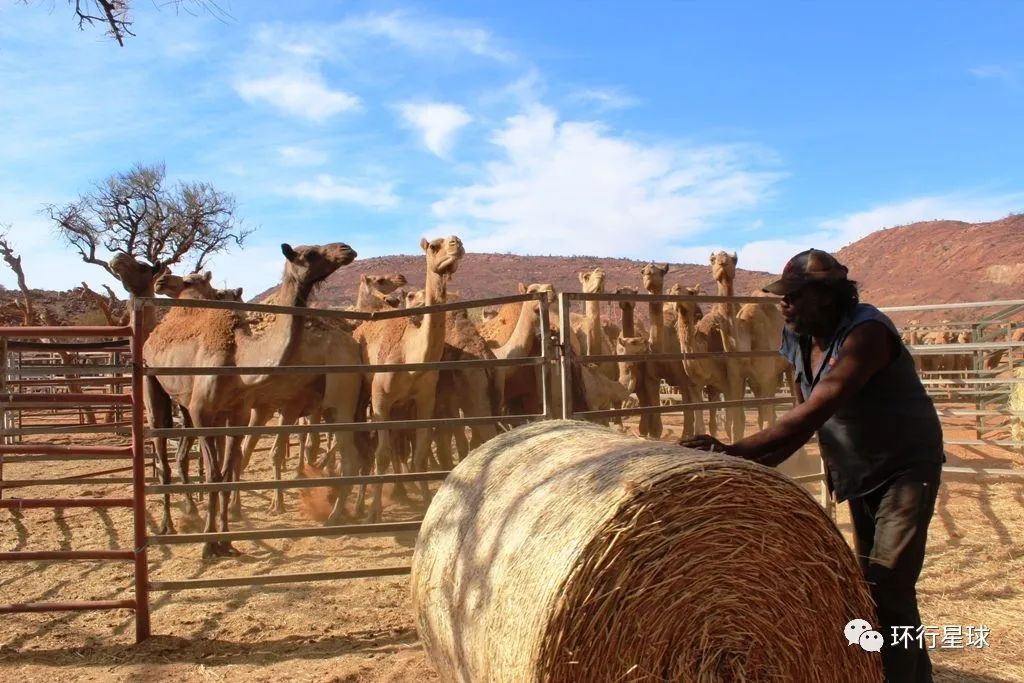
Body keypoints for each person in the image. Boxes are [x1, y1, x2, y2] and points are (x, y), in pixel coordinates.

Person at [680, 248, 943, 683]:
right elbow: (801, 425)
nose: (784, 304)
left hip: (905, 470)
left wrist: (730, 452)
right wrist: (742, 470)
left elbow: (813, 413)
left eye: (795, 295)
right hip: (858, 471)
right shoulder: (798, 336)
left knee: (886, 587)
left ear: (828, 297)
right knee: (881, 587)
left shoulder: (867, 335)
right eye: (783, 295)